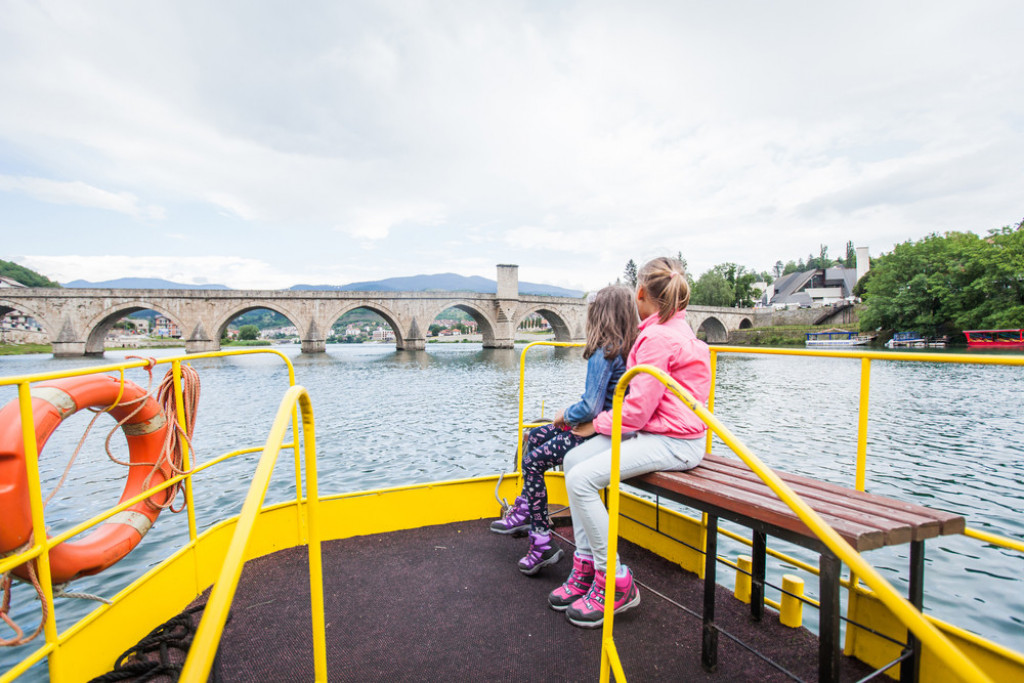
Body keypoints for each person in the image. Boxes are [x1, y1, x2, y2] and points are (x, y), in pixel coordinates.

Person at [548, 257, 711, 628]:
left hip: (673, 442)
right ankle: (587, 565)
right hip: (662, 433)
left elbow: (634, 413)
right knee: (574, 463)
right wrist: (602, 425)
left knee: (580, 479)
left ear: (640, 293)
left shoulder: (655, 338)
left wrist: (595, 424)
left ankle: (616, 580)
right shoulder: (675, 330)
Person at [490, 285, 639, 576]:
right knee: (532, 436)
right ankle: (526, 507)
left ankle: (541, 539)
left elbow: (591, 407)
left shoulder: (605, 351)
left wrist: (565, 415)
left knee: (533, 461)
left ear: (599, 316)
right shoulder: (626, 347)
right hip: (603, 428)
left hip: (594, 431)